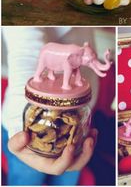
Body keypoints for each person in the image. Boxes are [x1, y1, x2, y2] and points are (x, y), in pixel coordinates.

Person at [2, 26, 99, 186]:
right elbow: (25, 52)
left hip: (79, 120)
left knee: (67, 180)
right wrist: (23, 127)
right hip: (22, 126)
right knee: (27, 180)